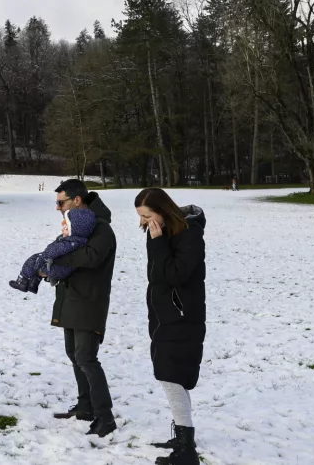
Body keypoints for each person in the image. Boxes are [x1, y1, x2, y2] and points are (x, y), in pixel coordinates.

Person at [135, 188, 206, 465]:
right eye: (141, 216)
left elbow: (174, 275)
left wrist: (158, 243)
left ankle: (186, 451)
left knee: (170, 376)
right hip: (164, 315)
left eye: (146, 216)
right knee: (171, 374)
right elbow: (156, 275)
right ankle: (183, 438)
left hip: (181, 318)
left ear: (162, 211)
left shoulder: (189, 234)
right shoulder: (160, 232)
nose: (143, 222)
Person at [45, 179, 117, 438]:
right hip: (70, 298)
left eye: (60, 202)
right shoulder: (75, 225)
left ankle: (105, 417)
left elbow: (91, 257)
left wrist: (58, 257)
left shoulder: (101, 227)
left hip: (89, 301)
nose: (57, 208)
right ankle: (86, 407)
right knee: (74, 354)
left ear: (77, 200)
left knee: (86, 357)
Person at [10, 209, 96, 294]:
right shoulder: (80, 242)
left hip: (57, 269)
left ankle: (22, 281)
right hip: (62, 269)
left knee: (33, 260)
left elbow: (52, 251)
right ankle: (33, 284)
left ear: (75, 230)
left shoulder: (69, 243)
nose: (62, 229)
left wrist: (42, 258)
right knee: (37, 264)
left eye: (66, 227)